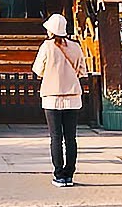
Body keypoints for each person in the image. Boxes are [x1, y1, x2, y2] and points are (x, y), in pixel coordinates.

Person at [32, 13, 88, 187]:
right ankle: (69, 174)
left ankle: (59, 175)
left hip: (52, 96)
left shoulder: (47, 47)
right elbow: (82, 71)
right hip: (72, 96)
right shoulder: (76, 47)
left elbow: (38, 70)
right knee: (70, 138)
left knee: (56, 137)